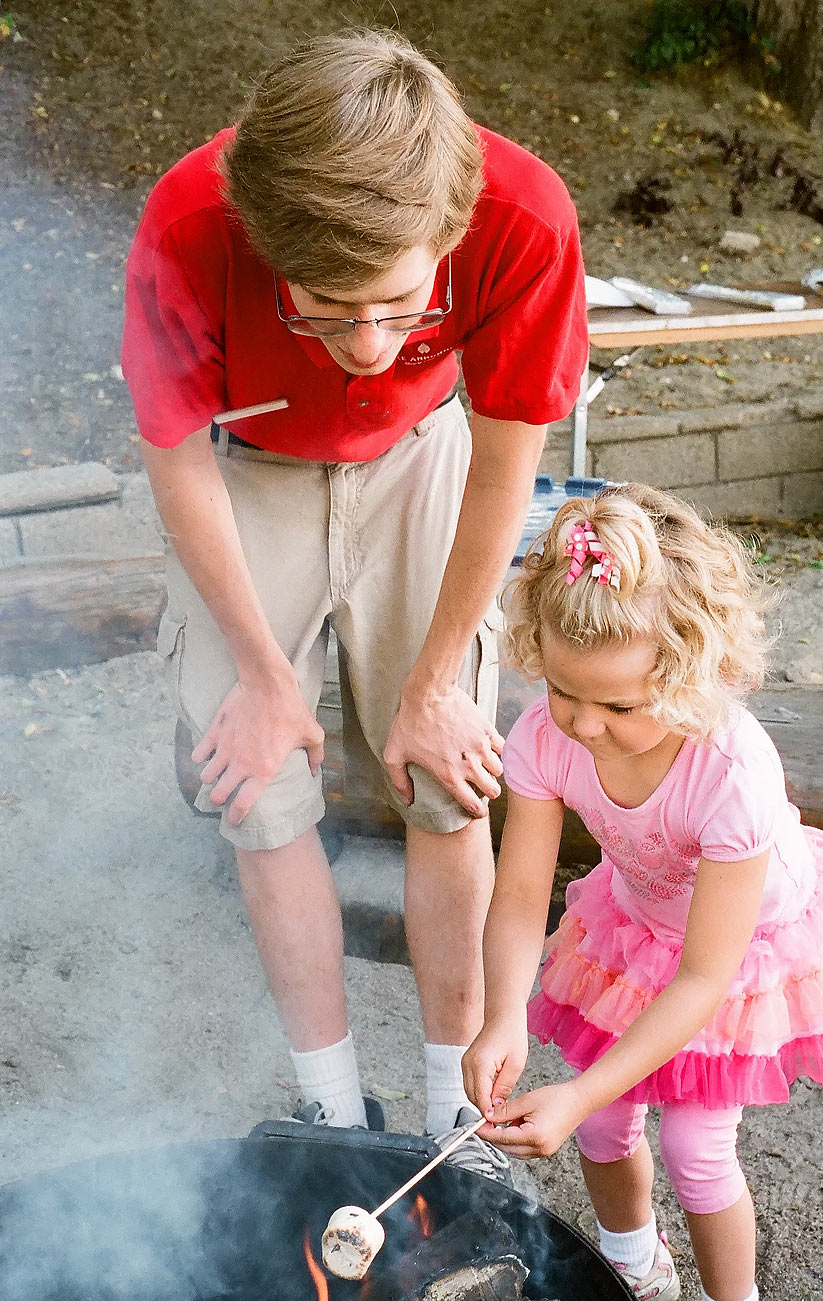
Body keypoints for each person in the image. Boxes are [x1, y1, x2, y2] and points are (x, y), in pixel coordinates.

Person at [121, 31, 588, 1161]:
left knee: (447, 772)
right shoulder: (188, 222)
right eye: (326, 307)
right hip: (249, 468)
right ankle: (331, 1108)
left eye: (396, 301)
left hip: (426, 457)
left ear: (451, 231)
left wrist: (434, 681)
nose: (367, 344)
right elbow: (176, 459)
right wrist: (271, 682)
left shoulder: (524, 214)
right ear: (265, 242)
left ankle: (452, 1116)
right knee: (258, 783)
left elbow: (504, 455)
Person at [462, 483, 823, 1301]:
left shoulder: (730, 768)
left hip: (737, 951)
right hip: (635, 920)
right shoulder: (546, 732)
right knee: (609, 1121)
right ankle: (630, 1261)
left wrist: (571, 1088)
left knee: (696, 1145)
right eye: (564, 690)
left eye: (618, 702)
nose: (580, 722)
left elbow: (703, 979)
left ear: (690, 667)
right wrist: (498, 1019)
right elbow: (520, 885)